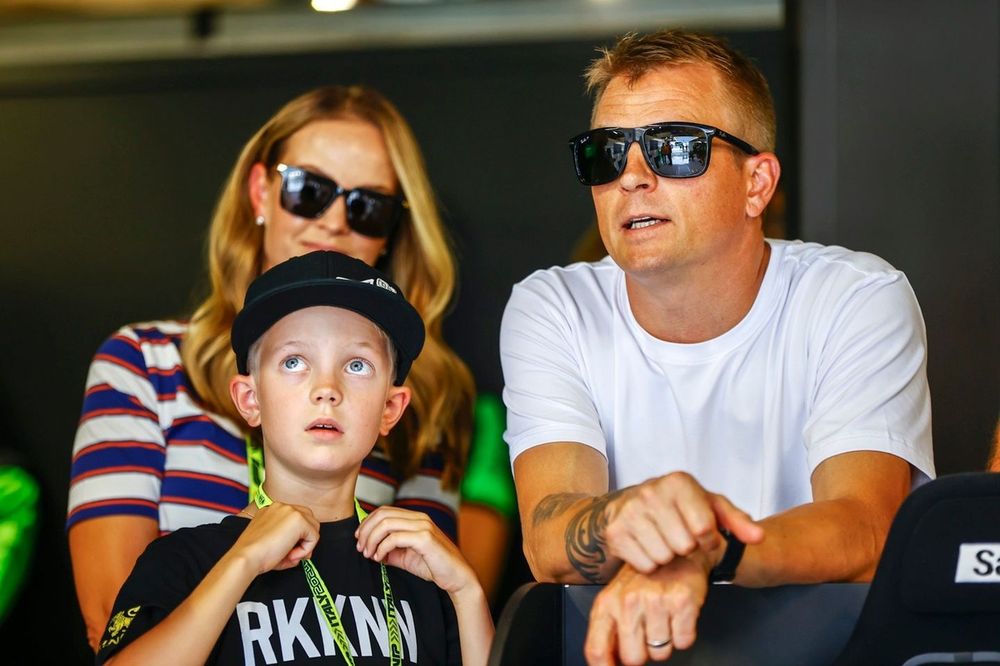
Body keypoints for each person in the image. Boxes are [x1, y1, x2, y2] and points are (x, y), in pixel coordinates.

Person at [500, 30, 935, 665]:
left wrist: (706, 552)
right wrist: (645, 526)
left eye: (675, 148)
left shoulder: (856, 295)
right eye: (605, 154)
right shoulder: (554, 306)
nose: (633, 178)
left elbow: (865, 527)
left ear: (758, 183)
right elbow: (549, 536)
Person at [67, 85, 489, 651]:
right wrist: (239, 563)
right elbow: (112, 619)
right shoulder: (144, 361)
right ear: (262, 192)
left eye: (367, 206)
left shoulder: (426, 393)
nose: (335, 221)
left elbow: (424, 616)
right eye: (308, 191)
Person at [95, 250, 494, 665]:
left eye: (357, 365)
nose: (327, 388)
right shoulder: (184, 560)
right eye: (293, 361)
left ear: (390, 409)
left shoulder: (420, 570)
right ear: (251, 399)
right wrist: (241, 563)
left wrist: (466, 590)